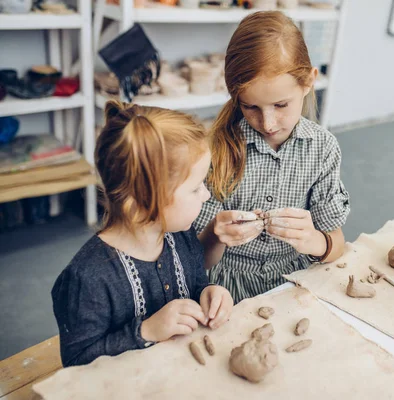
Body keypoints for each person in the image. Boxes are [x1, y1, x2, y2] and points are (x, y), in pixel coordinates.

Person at [52, 101, 233, 367]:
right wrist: (146, 331)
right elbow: (77, 362)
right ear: (139, 206)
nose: (206, 195)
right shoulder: (88, 278)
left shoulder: (180, 236)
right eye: (195, 188)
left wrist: (209, 293)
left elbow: (194, 284)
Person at [195, 11, 351, 303]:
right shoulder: (214, 150)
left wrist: (312, 240)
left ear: (308, 82)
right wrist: (217, 234)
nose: (267, 123)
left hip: (294, 280)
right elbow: (197, 260)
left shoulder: (323, 149)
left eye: (281, 105)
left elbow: (337, 245)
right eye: (250, 107)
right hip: (223, 288)